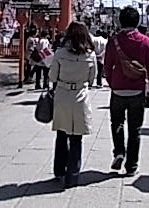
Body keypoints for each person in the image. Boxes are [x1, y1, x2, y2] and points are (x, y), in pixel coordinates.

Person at [104, 6, 149, 176]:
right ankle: (131, 166)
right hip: (137, 90)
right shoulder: (145, 41)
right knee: (135, 129)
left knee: (116, 123)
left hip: (118, 89)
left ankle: (119, 151)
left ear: (120, 21)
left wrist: (112, 83)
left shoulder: (114, 41)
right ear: (137, 21)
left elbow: (107, 66)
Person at [49, 22, 96, 188]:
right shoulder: (90, 55)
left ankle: (59, 170)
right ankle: (73, 174)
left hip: (62, 94)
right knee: (77, 137)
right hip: (80, 96)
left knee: (61, 134)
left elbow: (52, 76)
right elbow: (92, 78)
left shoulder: (60, 53)